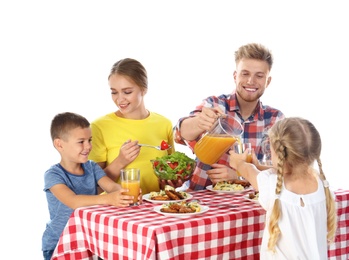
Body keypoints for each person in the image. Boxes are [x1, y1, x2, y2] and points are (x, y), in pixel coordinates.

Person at [174, 43, 284, 190]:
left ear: (268, 81)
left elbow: (280, 173)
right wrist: (199, 123)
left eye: (259, 76)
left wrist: (239, 175)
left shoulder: (275, 120)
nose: (251, 81)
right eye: (245, 74)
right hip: (200, 200)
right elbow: (179, 134)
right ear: (235, 76)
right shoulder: (215, 105)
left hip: (250, 205)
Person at [229, 117, 337, 259]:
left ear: (278, 153)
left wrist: (239, 163)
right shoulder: (322, 185)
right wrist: (258, 166)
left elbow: (249, 171)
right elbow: (284, 171)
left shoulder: (274, 187)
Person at [42, 112, 141, 260]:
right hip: (61, 243)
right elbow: (74, 201)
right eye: (81, 141)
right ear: (59, 144)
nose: (88, 146)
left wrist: (124, 193)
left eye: (90, 140)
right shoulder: (53, 175)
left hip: (89, 240)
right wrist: (109, 199)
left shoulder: (92, 167)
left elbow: (111, 187)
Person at [88, 58, 176, 194]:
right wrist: (120, 161)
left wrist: (172, 181)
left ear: (143, 89)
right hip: (119, 209)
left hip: (157, 207)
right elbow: (93, 187)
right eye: (114, 92)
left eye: (127, 92)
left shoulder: (164, 124)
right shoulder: (99, 127)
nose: (119, 99)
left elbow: (171, 176)